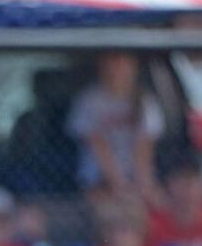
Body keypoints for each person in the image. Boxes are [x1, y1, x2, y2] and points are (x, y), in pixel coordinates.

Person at [66, 52, 166, 211]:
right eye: (112, 64)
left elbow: (144, 151)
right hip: (99, 180)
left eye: (123, 64)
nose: (116, 70)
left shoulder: (145, 101)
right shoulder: (88, 101)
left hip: (135, 179)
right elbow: (99, 147)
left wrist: (143, 187)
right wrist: (121, 188)